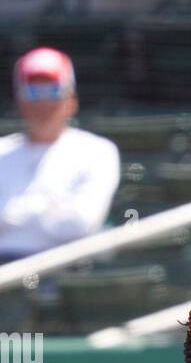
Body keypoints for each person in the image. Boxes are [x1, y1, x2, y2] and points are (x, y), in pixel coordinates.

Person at [0, 48, 120, 266]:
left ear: (71, 99)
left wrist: (12, 214)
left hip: (65, 270)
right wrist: (49, 209)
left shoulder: (97, 151)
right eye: (33, 92)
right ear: (19, 100)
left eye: (53, 90)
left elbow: (79, 224)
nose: (43, 103)